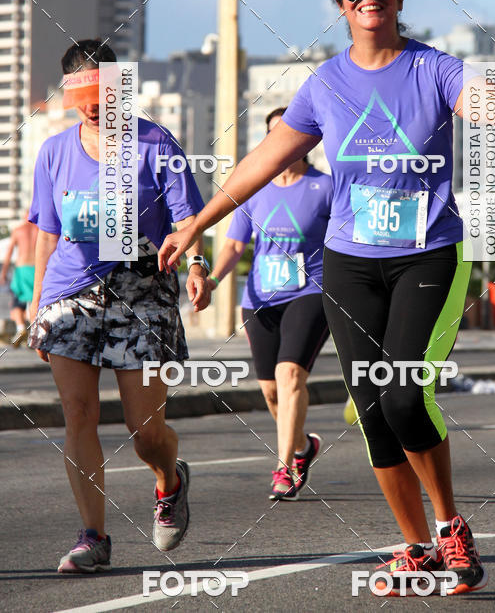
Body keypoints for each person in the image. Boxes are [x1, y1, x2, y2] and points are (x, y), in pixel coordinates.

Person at [158, 0, 495, 596]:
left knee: (401, 394)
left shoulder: (432, 70)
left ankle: (450, 526)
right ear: (341, 2)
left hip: (428, 256)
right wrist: (197, 222)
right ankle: (415, 547)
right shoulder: (325, 84)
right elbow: (263, 158)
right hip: (349, 264)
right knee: (371, 409)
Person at [28, 39, 210, 574]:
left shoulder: (155, 143)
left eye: (101, 92)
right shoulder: (55, 152)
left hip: (142, 290)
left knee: (143, 429)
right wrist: (38, 306)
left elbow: (187, 220)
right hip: (70, 293)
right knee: (78, 413)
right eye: (80, 94)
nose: (91, 104)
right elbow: (46, 233)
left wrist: (197, 265)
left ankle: (169, 478)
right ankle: (93, 536)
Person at [209, 107, 332, 500]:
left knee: (290, 375)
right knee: (271, 391)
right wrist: (212, 281)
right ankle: (301, 448)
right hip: (260, 298)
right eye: (271, 134)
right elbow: (233, 244)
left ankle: (283, 468)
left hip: (311, 291)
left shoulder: (326, 187)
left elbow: (348, 243)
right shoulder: (255, 188)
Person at [0, 211, 37, 346]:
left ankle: (21, 328)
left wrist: (3, 273)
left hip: (22, 269)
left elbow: (9, 253)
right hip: (37, 269)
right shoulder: (41, 230)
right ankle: (35, 332)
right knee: (36, 302)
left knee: (17, 303)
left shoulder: (18, 230)